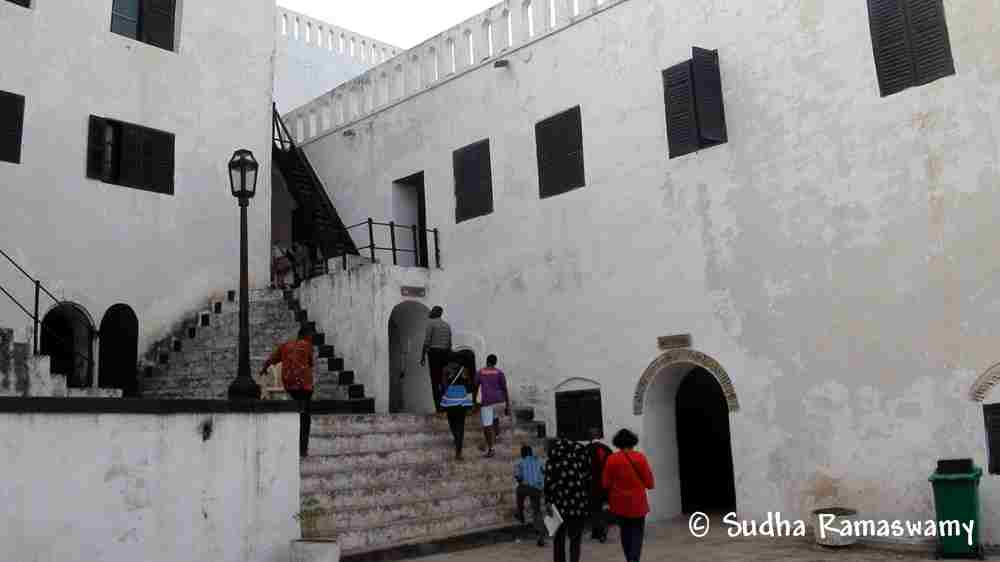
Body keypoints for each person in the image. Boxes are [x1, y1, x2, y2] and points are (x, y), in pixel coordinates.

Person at [260, 327, 315, 457]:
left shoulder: (286, 345)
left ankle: (295, 443)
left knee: (297, 408)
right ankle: (302, 449)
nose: (311, 339)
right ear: (306, 336)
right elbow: (310, 363)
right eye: (310, 337)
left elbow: (271, 359)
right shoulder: (307, 345)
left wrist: (264, 369)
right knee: (305, 416)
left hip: (289, 385)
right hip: (303, 385)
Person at [602, 429, 655, 562]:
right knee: (637, 534)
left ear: (617, 443)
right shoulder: (640, 457)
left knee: (625, 534)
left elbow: (605, 483)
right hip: (638, 504)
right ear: (633, 441)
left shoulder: (611, 459)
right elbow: (649, 483)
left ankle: (629, 559)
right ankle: (634, 560)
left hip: (619, 504)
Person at [544, 438, 591, 562]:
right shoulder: (580, 456)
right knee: (575, 540)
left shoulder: (552, 461)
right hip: (578, 505)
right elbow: (588, 480)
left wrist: (547, 502)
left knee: (558, 540)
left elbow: (548, 484)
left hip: (557, 505)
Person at [473, 354, 510, 457]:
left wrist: (474, 401)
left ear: (487, 361)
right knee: (495, 418)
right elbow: (504, 389)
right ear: (495, 362)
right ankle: (496, 435)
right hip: (499, 401)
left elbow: (475, 387)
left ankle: (491, 449)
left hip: (487, 402)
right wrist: (507, 405)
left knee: (487, 425)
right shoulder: (499, 373)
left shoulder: (480, 372)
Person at [439, 356, 473, 460]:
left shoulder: (445, 369)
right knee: (461, 424)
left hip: (450, 398)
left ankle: (456, 437)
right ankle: (459, 451)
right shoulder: (464, 369)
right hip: (462, 398)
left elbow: (444, 385)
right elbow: (469, 385)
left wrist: (443, 395)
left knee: (451, 421)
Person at [419, 306, 451, 412]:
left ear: (435, 313)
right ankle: (446, 405)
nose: (431, 312)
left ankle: (438, 407)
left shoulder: (431, 323)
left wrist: (422, 356)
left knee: (435, 381)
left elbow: (427, 341)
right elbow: (449, 344)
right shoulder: (447, 325)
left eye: (432, 311)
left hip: (434, 354)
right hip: (446, 354)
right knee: (444, 381)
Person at [515, 445, 546, 547]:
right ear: (531, 453)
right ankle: (540, 535)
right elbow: (544, 473)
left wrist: (523, 480)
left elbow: (518, 477)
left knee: (519, 491)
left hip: (526, 487)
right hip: (538, 489)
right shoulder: (539, 461)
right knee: (537, 511)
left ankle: (520, 512)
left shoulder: (520, 462)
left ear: (523, 454)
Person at [585, 428, 613, 543]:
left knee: (594, 509)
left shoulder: (586, 450)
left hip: (592, 485)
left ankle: (598, 533)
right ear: (599, 436)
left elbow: (583, 469)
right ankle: (601, 531)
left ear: (590, 437)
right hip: (606, 485)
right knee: (604, 508)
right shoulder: (607, 449)